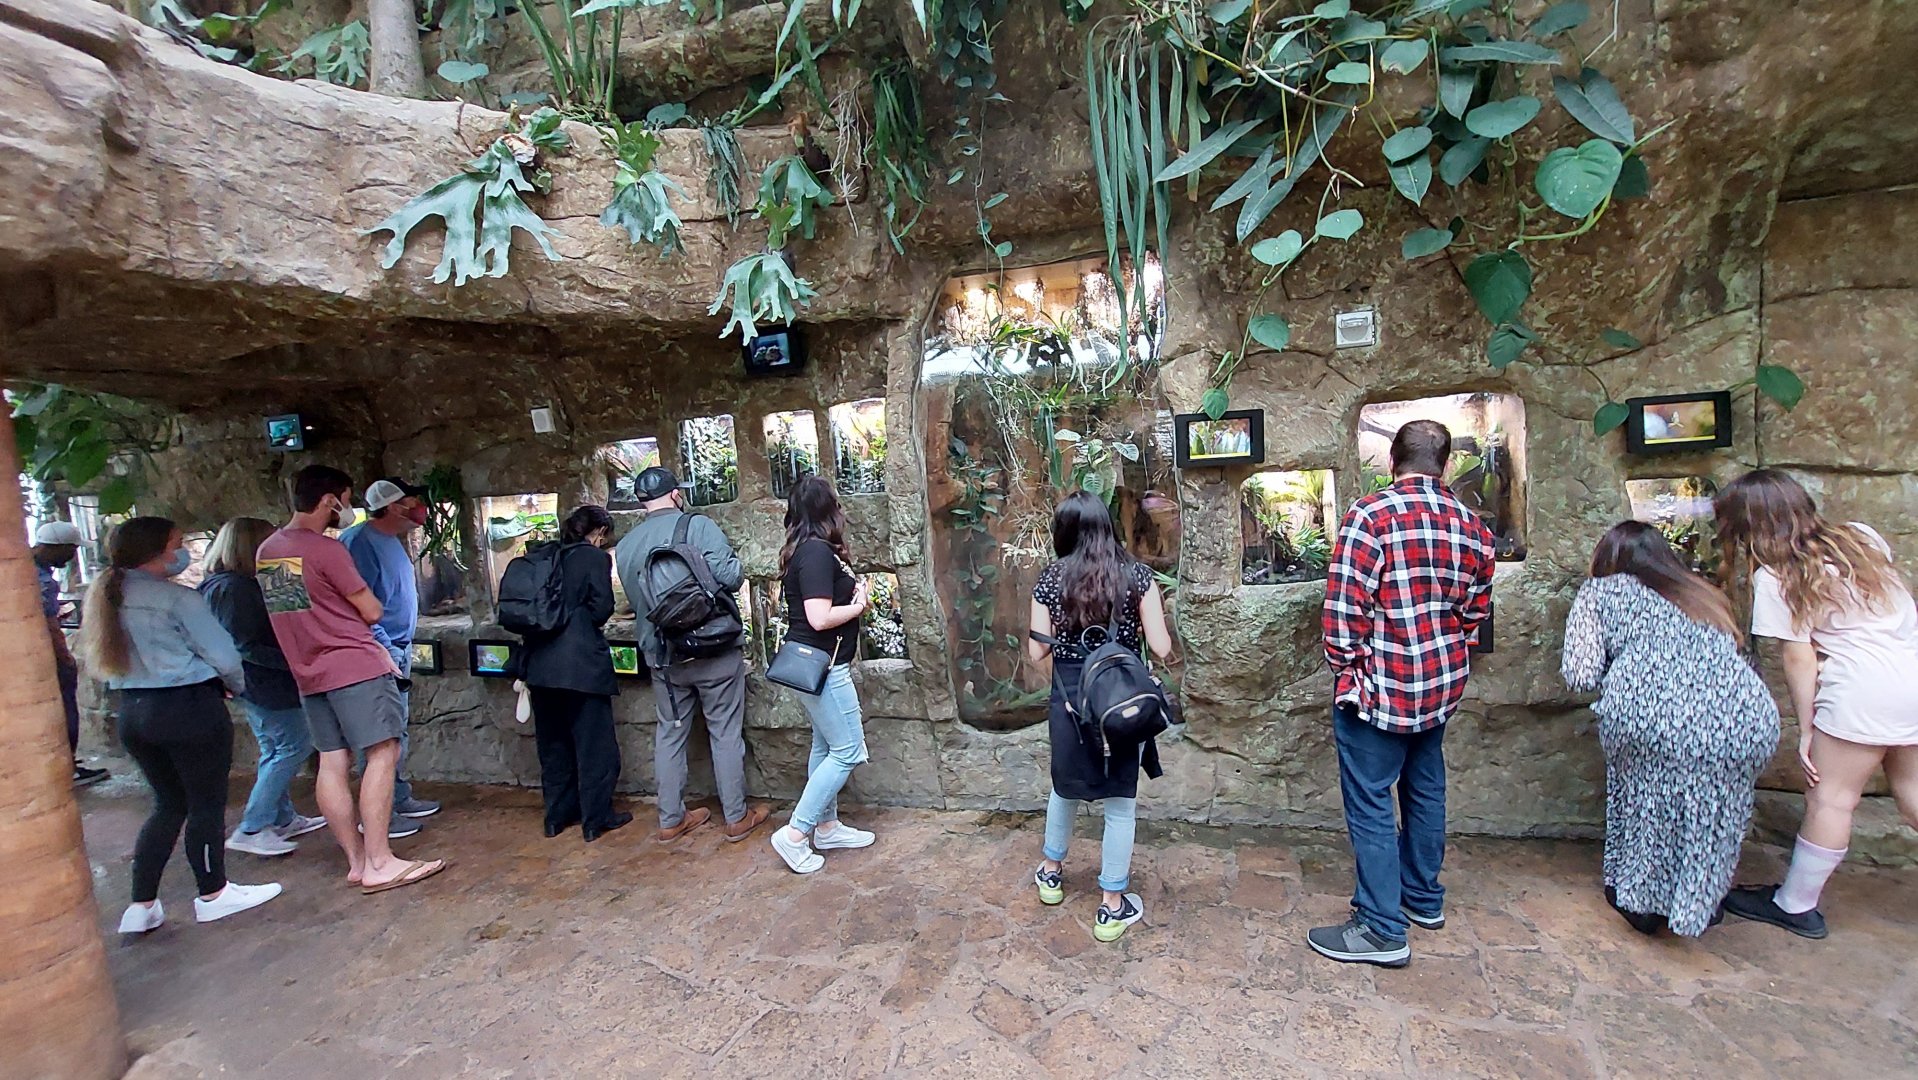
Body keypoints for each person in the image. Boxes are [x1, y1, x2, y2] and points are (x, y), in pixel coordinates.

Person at [1311, 419, 1496, 967]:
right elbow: (1475, 613)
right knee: (1425, 787)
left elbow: (1344, 612)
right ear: (1447, 465)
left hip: (1379, 688)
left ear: (1393, 460)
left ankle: (1381, 928)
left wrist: (1346, 672)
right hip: (1439, 686)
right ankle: (1422, 898)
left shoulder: (1371, 516)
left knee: (1370, 801)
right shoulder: (1472, 526)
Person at [1713, 470, 1918, 939]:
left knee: (1831, 799)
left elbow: (1798, 655)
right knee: (1912, 797)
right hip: (1911, 678)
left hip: (1859, 692)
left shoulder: (1776, 577)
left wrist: (1807, 728)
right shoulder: (1861, 539)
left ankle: (1796, 904)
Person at [1560, 521, 1780, 936]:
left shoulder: (1600, 593)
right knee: (1715, 812)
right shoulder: (1702, 594)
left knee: (1647, 805)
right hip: (1745, 717)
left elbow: (1581, 672)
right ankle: (1698, 902)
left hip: (1654, 716)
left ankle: (1641, 902)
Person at [77, 516, 281, 932]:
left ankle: (142, 903)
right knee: (206, 803)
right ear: (158, 551)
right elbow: (225, 656)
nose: (183, 550)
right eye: (177, 543)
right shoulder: (177, 599)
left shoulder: (105, 595)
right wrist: (234, 687)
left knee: (168, 803)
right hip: (188, 709)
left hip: (134, 711)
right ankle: (213, 893)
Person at [258, 466, 444, 894]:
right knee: (383, 751)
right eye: (344, 499)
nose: (348, 508)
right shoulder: (328, 549)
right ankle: (381, 859)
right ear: (328, 501)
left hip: (309, 669)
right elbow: (372, 610)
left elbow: (291, 611)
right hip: (355, 664)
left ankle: (358, 860)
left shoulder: (271, 549)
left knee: (331, 760)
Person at [1027, 491, 1173, 940]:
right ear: (1107, 527)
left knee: (1064, 786)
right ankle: (1111, 904)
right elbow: (1163, 648)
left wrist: (1071, 680)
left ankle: (1051, 871)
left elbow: (1036, 652)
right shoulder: (1138, 577)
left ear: (1064, 532)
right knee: (1120, 804)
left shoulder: (1050, 579)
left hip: (1069, 702)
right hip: (1119, 705)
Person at [614, 466, 768, 844]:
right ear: (675, 494)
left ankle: (670, 819)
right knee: (724, 730)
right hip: (712, 649)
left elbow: (634, 600)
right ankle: (735, 817)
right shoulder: (696, 527)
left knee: (670, 732)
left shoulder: (626, 544)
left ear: (641, 502)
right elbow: (732, 577)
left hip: (664, 656)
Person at [767, 476, 880, 874]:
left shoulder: (808, 549)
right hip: (825, 669)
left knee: (825, 746)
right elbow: (818, 617)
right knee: (848, 751)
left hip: (820, 668)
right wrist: (858, 605)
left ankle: (827, 826)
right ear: (826, 509)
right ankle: (796, 833)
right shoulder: (815, 553)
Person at [200, 516, 327, 857]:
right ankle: (252, 826)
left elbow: (296, 614)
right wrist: (296, 661)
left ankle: (282, 818)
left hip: (267, 681)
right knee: (292, 748)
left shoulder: (249, 581)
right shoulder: (232, 588)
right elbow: (245, 644)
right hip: (266, 683)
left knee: (275, 749)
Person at [522, 505, 632, 841]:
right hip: (581, 666)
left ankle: (557, 817)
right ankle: (595, 819)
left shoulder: (546, 555)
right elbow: (601, 608)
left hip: (539, 664)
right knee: (594, 747)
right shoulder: (594, 559)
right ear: (599, 532)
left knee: (553, 746)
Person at [340, 477, 442, 831]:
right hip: (381, 651)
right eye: (411, 501)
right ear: (393, 505)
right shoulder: (358, 543)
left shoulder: (391, 540)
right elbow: (357, 602)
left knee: (397, 731)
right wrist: (381, 643)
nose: (418, 509)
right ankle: (378, 818)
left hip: (399, 646)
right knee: (381, 738)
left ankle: (398, 796)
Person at [32, 521, 109, 787]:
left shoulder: (26, 571)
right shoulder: (41, 580)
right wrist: (65, 658)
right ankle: (68, 768)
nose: (72, 556)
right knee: (64, 711)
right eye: (71, 549)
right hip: (46, 658)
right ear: (57, 547)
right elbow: (48, 623)